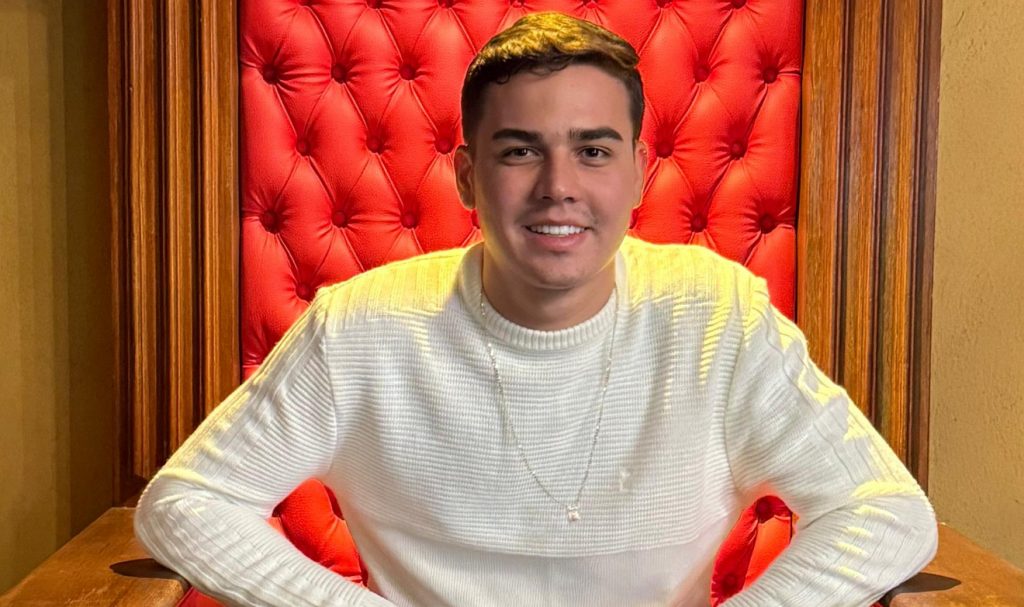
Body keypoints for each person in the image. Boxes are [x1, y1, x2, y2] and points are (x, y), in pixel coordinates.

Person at [135, 11, 938, 607]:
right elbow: (185, 504)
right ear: (466, 175)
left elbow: (886, 511)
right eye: (520, 150)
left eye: (593, 150)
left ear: (638, 170)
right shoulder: (360, 327)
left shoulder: (716, 316)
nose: (559, 187)